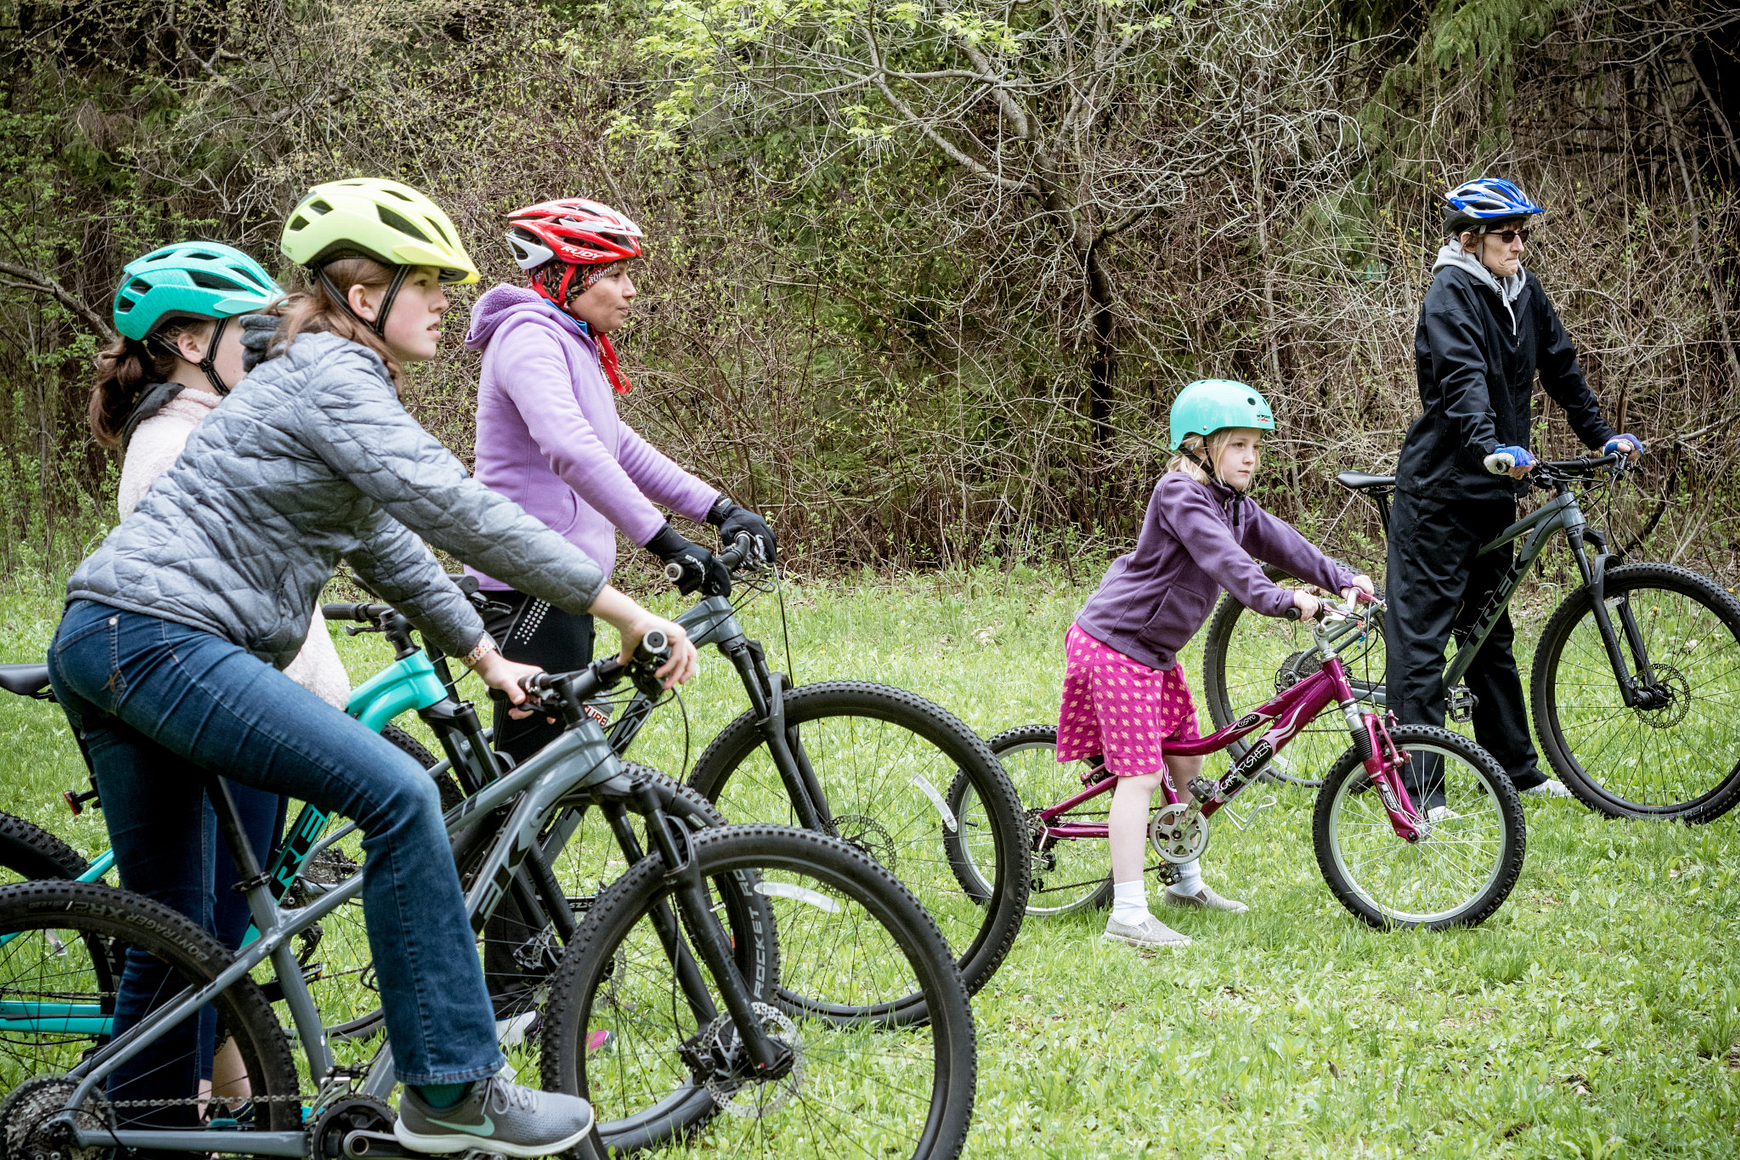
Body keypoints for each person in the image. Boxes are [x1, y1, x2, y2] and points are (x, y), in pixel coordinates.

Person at [48, 177, 697, 1155]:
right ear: (363, 298)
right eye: (427, 282)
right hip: (163, 638)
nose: (447, 300)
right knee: (398, 792)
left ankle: (120, 1134)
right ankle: (451, 1088)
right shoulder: (331, 379)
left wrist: (485, 655)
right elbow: (452, 503)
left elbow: (389, 543)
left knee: (173, 933)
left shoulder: (309, 380)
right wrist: (619, 603)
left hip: (105, 635)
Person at [90, 239, 352, 1108]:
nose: (269, 344)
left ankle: (252, 1107)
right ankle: (187, 1102)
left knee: (227, 937)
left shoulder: (215, 429)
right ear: (195, 344)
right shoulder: (170, 446)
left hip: (257, 706)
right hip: (226, 709)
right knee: (200, 936)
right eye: (250, 329)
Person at [1060, 380, 1372, 948]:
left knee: (1184, 763)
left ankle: (1184, 881)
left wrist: (1340, 576)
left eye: (1255, 445)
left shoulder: (1232, 502)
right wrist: (1284, 600)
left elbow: (1281, 542)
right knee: (1141, 775)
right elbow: (1226, 562)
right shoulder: (1181, 495)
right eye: (1236, 446)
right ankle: (1128, 915)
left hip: (1154, 652)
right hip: (1115, 645)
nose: (1250, 457)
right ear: (1200, 447)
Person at [464, 197, 775, 765]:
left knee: (559, 769)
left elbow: (617, 445)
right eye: (616, 274)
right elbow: (571, 450)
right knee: (537, 780)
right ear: (570, 278)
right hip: (529, 584)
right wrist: (665, 543)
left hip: (563, 582)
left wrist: (718, 509)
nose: (631, 290)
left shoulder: (570, 340)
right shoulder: (528, 339)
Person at [1387, 177, 1643, 812]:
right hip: (1442, 490)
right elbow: (1462, 381)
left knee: (1489, 633)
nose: (1520, 245)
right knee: (1421, 641)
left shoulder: (1522, 292)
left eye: (1524, 233)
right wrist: (1488, 445)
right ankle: (1417, 790)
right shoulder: (1450, 294)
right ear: (1470, 240)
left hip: (1495, 489)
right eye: (1508, 234)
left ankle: (1517, 771)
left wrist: (1603, 437)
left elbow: (1561, 368)